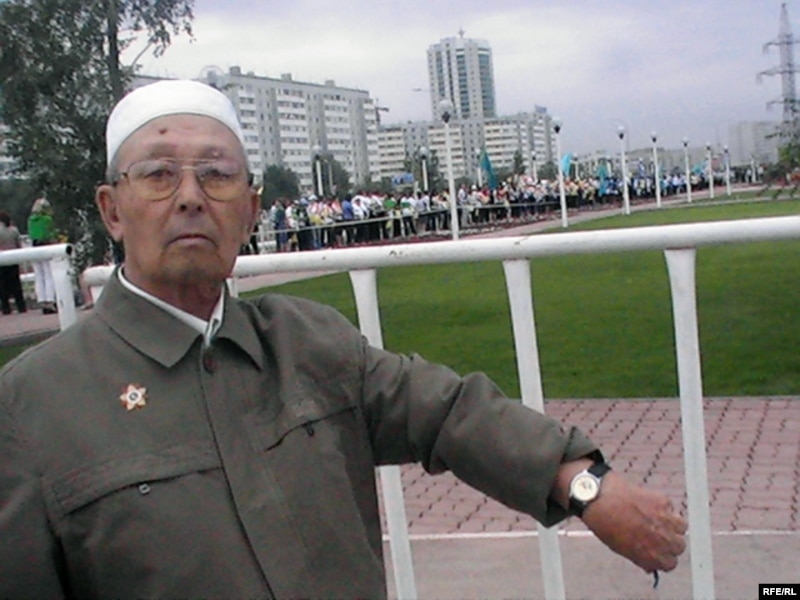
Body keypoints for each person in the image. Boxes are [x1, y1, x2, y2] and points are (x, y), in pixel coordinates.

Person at [0, 80, 686, 599]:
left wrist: (585, 484)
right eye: (158, 174)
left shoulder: (306, 343)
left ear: (251, 211)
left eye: (217, 174)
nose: (190, 196)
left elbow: (444, 410)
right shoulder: (33, 405)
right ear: (112, 210)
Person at [27, 196, 57, 314]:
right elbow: (50, 233)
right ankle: (50, 299)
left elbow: (31, 234)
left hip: (34, 246)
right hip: (45, 245)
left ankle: (41, 299)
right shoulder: (47, 219)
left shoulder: (31, 220)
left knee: (39, 274)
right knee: (48, 273)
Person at [0, 210, 27, 314]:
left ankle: (6, 307)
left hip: (2, 260)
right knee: (16, 284)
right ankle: (21, 306)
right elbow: (18, 244)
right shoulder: (14, 230)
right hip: (14, 258)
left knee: (2, 285)